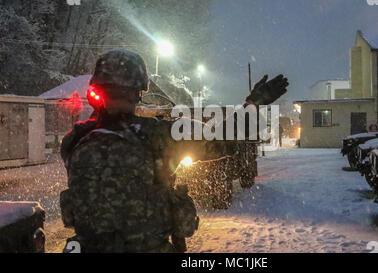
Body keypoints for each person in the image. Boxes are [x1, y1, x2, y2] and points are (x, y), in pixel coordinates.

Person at [59, 49, 288, 253]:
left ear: (95, 91)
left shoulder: (75, 141)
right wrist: (253, 103)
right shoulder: (159, 135)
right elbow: (221, 140)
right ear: (138, 93)